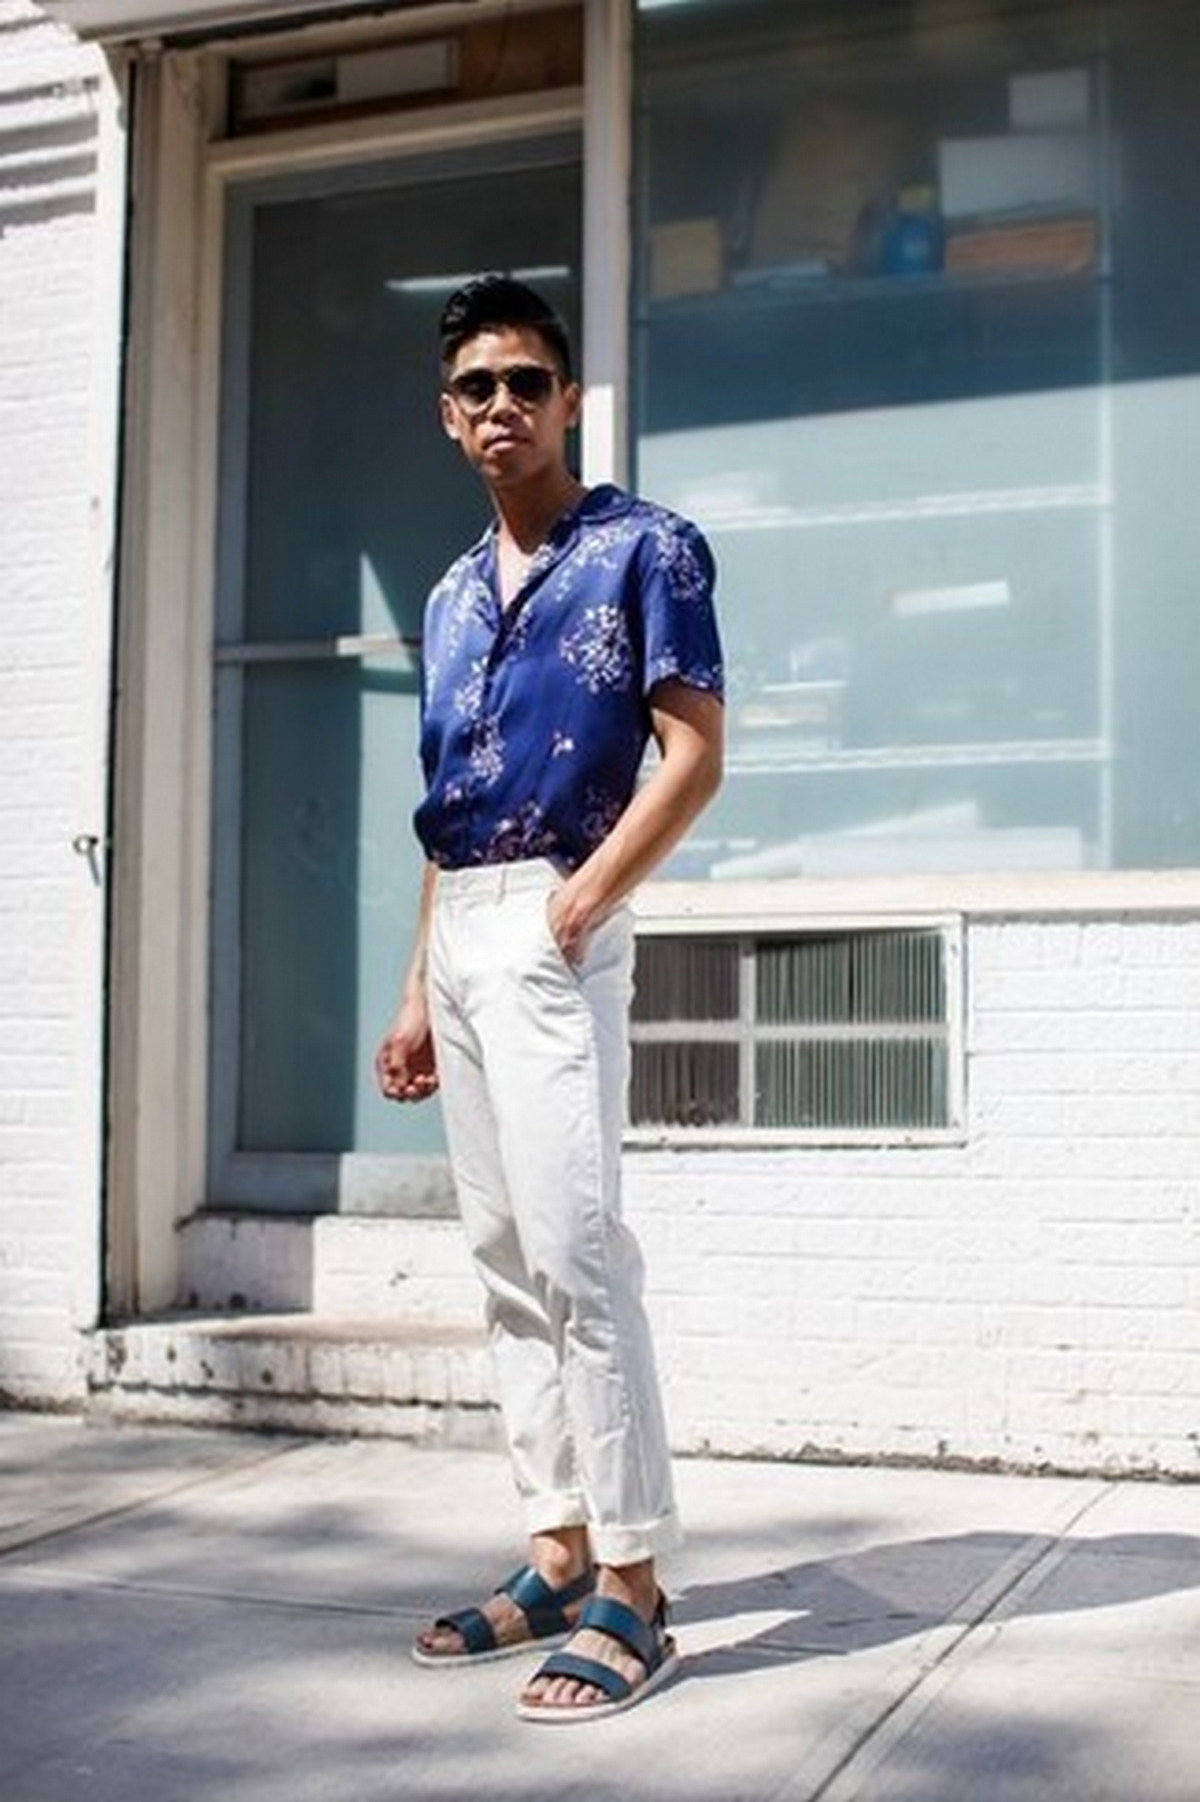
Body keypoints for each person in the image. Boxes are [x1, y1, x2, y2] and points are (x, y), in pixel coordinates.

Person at [375, 274, 724, 1723]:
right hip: (461, 922)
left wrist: (586, 900)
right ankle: (557, 1549)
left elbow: (694, 750)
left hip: (558, 916)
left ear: (569, 399)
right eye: (477, 388)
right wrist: (415, 989)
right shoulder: (454, 594)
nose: (502, 406)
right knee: (508, 1260)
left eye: (527, 381)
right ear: (448, 417)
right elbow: (446, 810)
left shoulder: (648, 547)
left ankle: (636, 1588)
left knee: (582, 1256)